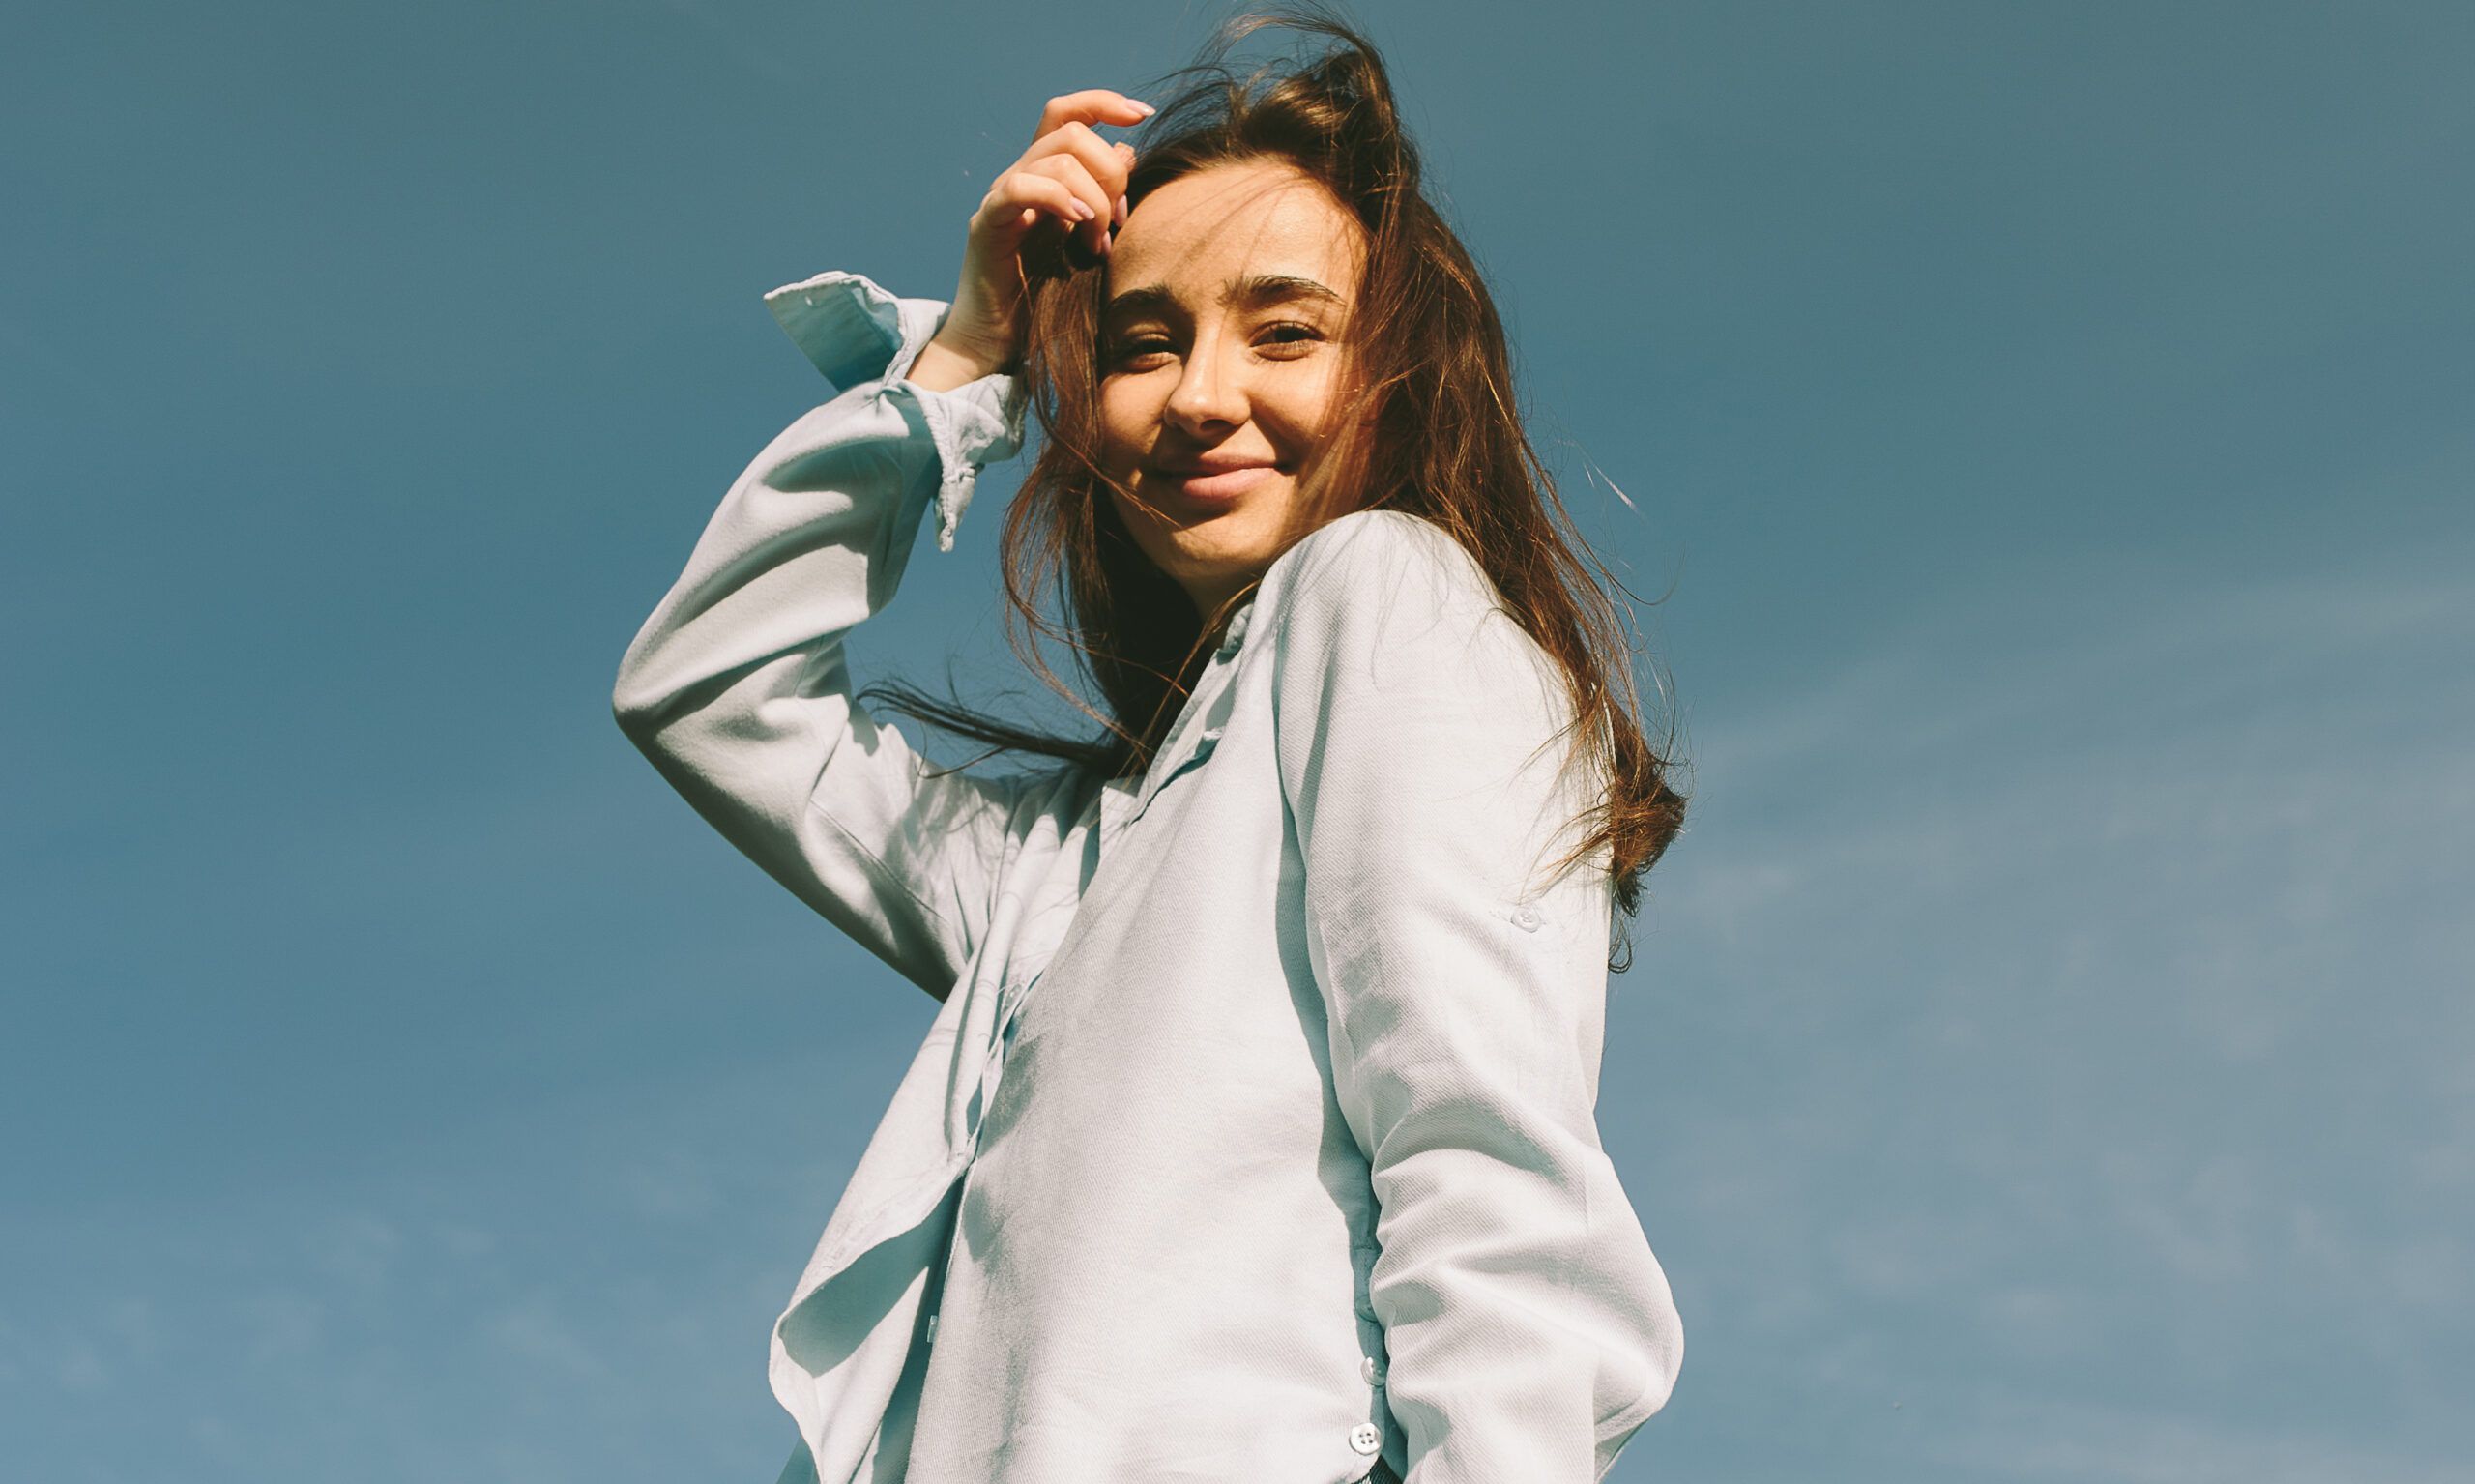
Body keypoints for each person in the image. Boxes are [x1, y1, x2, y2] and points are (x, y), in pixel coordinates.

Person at [612, 11, 1687, 1482]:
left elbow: (1487, 1168)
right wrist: (968, 356)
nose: (1199, 395)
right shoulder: (1059, 864)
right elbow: (706, 691)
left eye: (1286, 328)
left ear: (1402, 371)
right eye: (1143, 343)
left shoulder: (1383, 591)